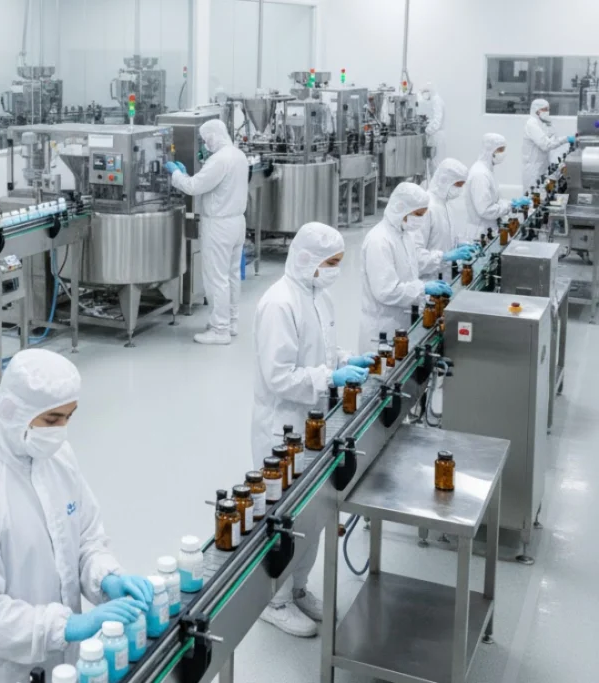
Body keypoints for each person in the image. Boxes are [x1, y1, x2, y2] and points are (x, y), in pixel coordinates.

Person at [0, 349, 154, 682]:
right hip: (0, 671)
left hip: (65, 663)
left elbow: (86, 538)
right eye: (52, 420)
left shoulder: (58, 458)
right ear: (13, 412)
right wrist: (65, 626)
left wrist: (106, 576)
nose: (61, 430)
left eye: (69, 417)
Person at [251, 222, 371, 637]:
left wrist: (347, 361)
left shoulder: (320, 297)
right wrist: (329, 378)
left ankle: (298, 587)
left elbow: (325, 350)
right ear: (307, 259)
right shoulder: (278, 304)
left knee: (315, 513)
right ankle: (275, 600)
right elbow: (278, 377)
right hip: (282, 427)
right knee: (287, 518)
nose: (335, 270)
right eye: (330, 263)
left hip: (316, 422)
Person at [165, 119, 249, 345]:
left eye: (205, 139)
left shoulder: (220, 159)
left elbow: (193, 187)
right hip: (237, 222)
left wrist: (175, 175)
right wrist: (189, 174)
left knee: (216, 279)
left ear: (213, 136)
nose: (204, 144)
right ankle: (230, 322)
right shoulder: (237, 155)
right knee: (231, 276)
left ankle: (219, 330)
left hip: (219, 225)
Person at [359, 183, 458, 353]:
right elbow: (386, 291)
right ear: (400, 209)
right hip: (383, 329)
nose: (420, 220)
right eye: (418, 214)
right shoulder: (379, 241)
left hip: (402, 321)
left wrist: (443, 257)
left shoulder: (404, 234)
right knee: (383, 376)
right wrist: (422, 288)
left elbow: (415, 261)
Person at [412, 159, 473, 273]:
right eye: (458, 185)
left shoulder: (446, 205)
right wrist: (444, 256)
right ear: (444, 181)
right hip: (428, 280)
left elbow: (443, 239)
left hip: (444, 275)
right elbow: (415, 255)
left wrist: (459, 245)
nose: (460, 190)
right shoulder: (425, 208)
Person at [466, 133, 528, 239]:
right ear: (491, 151)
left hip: (488, 228)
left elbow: (494, 201)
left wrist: (511, 203)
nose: (503, 154)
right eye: (500, 150)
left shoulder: (487, 170)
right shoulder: (480, 175)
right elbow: (485, 210)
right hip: (480, 232)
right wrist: (510, 206)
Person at [522, 98, 574, 192]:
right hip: (534, 170)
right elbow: (546, 145)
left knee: (541, 198)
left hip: (543, 167)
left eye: (548, 109)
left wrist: (550, 125)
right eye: (545, 109)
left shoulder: (542, 123)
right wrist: (566, 139)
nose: (547, 112)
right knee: (533, 200)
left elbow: (553, 142)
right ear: (537, 111)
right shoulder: (531, 124)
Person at [420, 83, 446, 178]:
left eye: (424, 93)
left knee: (436, 164)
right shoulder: (436, 100)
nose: (424, 96)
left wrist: (427, 130)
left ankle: (436, 189)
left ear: (429, 92)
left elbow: (437, 122)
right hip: (436, 135)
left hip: (436, 136)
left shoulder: (436, 101)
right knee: (433, 164)